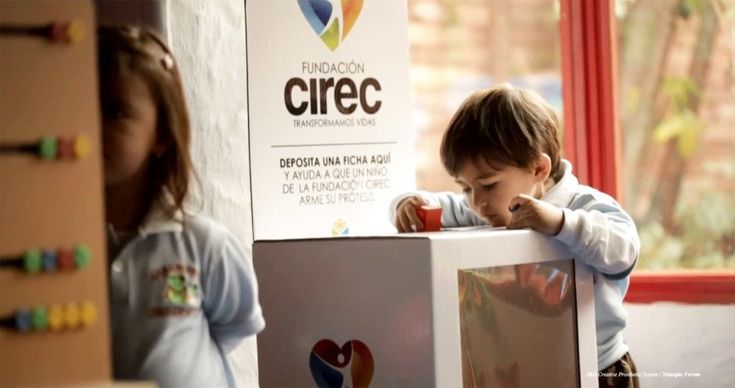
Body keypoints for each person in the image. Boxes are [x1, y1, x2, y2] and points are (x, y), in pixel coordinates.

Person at [391, 84, 640, 388]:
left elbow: (623, 251)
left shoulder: (583, 206)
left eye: (489, 184)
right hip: (529, 367)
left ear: (538, 168)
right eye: (466, 187)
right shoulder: (487, 209)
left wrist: (560, 223)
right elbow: (442, 205)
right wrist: (408, 204)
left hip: (600, 369)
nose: (475, 202)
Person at [98, 26, 265, 387]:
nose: (92, 126)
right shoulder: (63, 247)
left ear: (161, 135)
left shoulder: (205, 244)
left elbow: (233, 327)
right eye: (83, 109)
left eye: (114, 112)